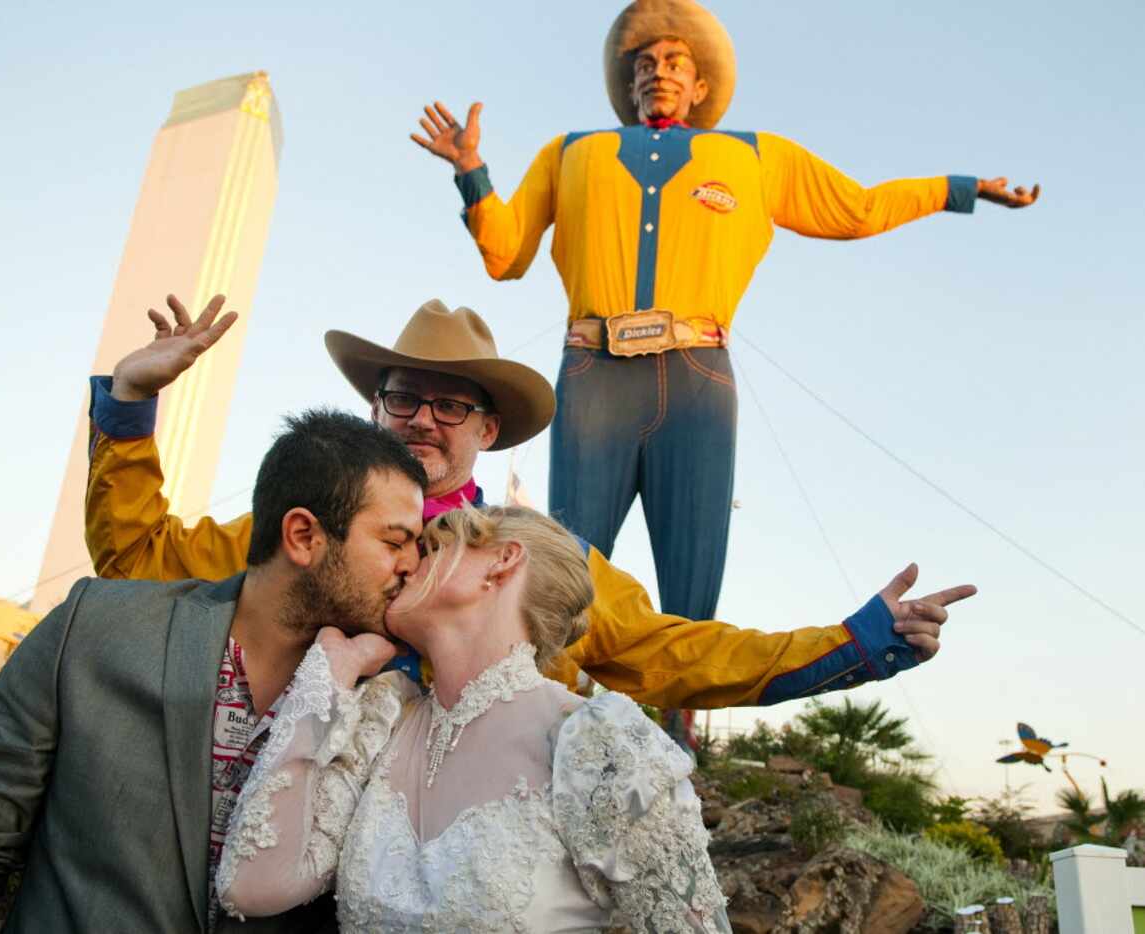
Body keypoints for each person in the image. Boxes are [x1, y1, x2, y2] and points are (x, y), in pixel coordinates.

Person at [410, 0, 1034, 632]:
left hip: (697, 377)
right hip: (594, 372)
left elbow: (859, 209)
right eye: (646, 62)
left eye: (676, 61)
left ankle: (676, 729)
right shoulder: (572, 151)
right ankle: (555, 715)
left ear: (701, 85)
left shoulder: (754, 156)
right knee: (570, 575)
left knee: (693, 586)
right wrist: (472, 172)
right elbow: (505, 254)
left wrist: (962, 189)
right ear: (628, 86)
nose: (659, 70)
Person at [87, 294, 975, 711]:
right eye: (402, 397)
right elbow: (138, 565)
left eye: (451, 404)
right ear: (374, 409)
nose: (422, 419)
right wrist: (130, 406)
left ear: (490, 431)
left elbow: (676, 653)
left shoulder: (533, 556)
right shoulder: (303, 526)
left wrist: (855, 640)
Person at [0, 410, 427, 933]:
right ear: (304, 537)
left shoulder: (387, 710)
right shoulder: (95, 628)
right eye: (394, 541)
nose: (411, 565)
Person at [216, 504, 731, 932]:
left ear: (502, 562)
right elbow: (253, 885)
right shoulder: (384, 716)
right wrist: (327, 676)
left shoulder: (599, 741)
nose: (406, 566)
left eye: (434, 548)